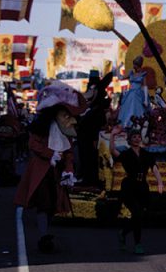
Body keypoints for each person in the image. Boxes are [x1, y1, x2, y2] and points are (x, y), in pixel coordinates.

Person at [14, 83, 84, 253]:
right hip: (41, 171)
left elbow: (68, 153)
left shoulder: (67, 131)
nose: (68, 119)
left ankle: (45, 233)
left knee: (53, 204)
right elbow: (33, 144)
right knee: (43, 203)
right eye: (64, 114)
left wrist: (69, 171)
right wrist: (50, 153)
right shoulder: (42, 128)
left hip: (56, 173)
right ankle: (43, 236)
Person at [110, 126, 163, 254]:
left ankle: (123, 233)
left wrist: (160, 182)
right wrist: (112, 135)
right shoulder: (127, 154)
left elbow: (154, 168)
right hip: (129, 187)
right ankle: (138, 244)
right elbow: (113, 151)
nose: (137, 139)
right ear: (129, 140)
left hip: (142, 187)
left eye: (138, 136)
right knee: (136, 213)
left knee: (139, 215)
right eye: (134, 137)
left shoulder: (146, 154)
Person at [76, 70, 113, 187]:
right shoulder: (92, 104)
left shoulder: (96, 106)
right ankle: (88, 178)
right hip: (87, 135)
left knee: (90, 157)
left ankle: (90, 179)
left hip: (90, 135)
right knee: (87, 156)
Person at [117, 56, 150, 128]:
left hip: (138, 94)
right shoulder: (131, 73)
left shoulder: (143, 74)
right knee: (128, 109)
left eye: (135, 64)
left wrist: (146, 100)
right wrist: (119, 68)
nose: (133, 66)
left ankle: (137, 125)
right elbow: (120, 77)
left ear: (138, 65)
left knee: (137, 109)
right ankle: (127, 124)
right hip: (130, 93)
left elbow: (145, 86)